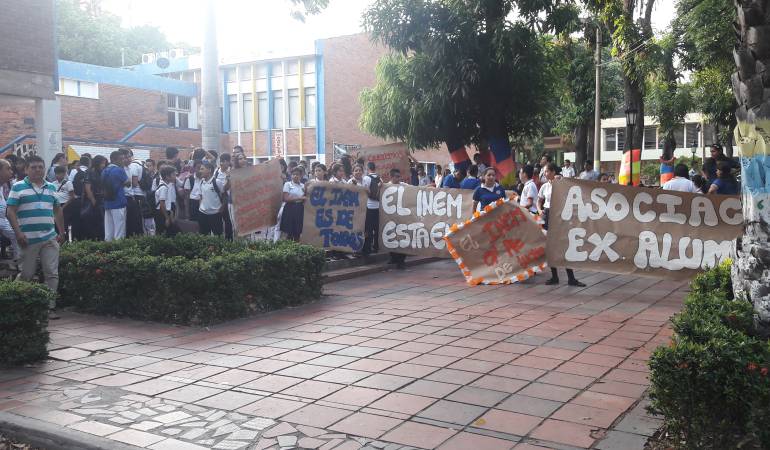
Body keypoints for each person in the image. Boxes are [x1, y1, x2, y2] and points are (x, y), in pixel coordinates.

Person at [6, 155, 66, 318]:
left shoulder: (51, 187)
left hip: (50, 237)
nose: (38, 170)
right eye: (33, 167)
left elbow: (57, 210)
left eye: (40, 167)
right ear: (26, 169)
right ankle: (15, 304)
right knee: (26, 274)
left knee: (52, 273)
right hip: (28, 238)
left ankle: (49, 307)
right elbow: (10, 211)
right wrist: (18, 233)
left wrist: (61, 231)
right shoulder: (18, 187)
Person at [537, 162, 585, 287]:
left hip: (559, 214)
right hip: (548, 214)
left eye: (547, 171)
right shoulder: (545, 186)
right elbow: (539, 200)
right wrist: (539, 210)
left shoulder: (561, 183)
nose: (545, 173)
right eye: (544, 171)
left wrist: (560, 179)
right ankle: (554, 276)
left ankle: (571, 278)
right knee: (550, 246)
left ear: (553, 172)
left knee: (564, 245)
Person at [101, 151, 128, 241]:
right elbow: (128, 183)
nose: (123, 161)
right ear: (114, 160)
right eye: (121, 159)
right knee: (119, 230)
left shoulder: (104, 171)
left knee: (109, 230)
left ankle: (107, 249)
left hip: (107, 203)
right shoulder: (119, 170)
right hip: (118, 202)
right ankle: (118, 251)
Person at [387, 168, 409, 269]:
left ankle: (401, 260)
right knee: (391, 237)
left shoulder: (403, 185)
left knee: (401, 236)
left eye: (399, 176)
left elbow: (415, 189)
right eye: (396, 177)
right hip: (390, 217)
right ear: (391, 177)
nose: (399, 178)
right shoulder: (386, 187)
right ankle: (393, 257)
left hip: (402, 216)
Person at [197, 161, 225, 236]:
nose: (200, 171)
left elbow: (224, 195)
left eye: (202, 169)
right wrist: (201, 206)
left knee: (218, 236)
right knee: (204, 236)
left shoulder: (217, 182)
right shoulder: (201, 182)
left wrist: (222, 207)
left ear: (209, 170)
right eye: (200, 169)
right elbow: (201, 196)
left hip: (215, 214)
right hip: (203, 214)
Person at [0, 160, 20, 268]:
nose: (11, 172)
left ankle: (18, 262)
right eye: (8, 169)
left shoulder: (2, 186)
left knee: (16, 235)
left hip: (3, 220)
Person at [83, 155, 107, 240]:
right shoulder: (90, 172)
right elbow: (88, 188)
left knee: (101, 223)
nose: (104, 165)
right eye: (102, 163)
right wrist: (93, 201)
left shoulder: (101, 172)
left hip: (101, 200)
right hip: (94, 201)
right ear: (97, 163)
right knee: (95, 223)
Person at [123, 148, 144, 237]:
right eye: (126, 157)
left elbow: (131, 184)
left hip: (131, 197)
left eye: (130, 157)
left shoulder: (131, 168)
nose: (129, 159)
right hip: (124, 197)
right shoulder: (120, 169)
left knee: (134, 220)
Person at [280, 167, 305, 241]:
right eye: (293, 174)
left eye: (297, 174)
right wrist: (299, 198)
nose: (295, 176)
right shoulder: (288, 184)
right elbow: (285, 198)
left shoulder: (303, 186)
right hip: (290, 208)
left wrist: (302, 198)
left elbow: (305, 198)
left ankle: (296, 248)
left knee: (298, 231)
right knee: (289, 232)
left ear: (301, 176)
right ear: (291, 175)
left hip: (300, 209)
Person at [362, 162, 381, 255]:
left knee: (368, 228)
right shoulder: (380, 179)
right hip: (378, 207)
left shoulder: (366, 178)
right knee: (377, 228)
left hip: (369, 206)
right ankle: (376, 247)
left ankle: (367, 248)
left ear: (368, 168)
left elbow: (364, 191)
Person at [154, 165, 178, 236]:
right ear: (167, 176)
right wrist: (167, 218)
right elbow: (162, 204)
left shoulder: (165, 186)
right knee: (163, 233)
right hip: (162, 214)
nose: (175, 177)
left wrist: (170, 213)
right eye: (173, 175)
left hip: (165, 213)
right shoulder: (164, 188)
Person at [51, 166, 74, 239]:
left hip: (65, 205)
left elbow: (72, 197)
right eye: (56, 173)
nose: (57, 175)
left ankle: (65, 241)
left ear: (64, 174)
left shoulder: (68, 183)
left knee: (64, 224)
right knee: (55, 224)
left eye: (59, 173)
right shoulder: (53, 184)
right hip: (56, 206)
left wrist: (63, 207)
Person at [218, 154, 234, 240]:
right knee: (219, 220)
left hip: (228, 199)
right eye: (221, 161)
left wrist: (228, 179)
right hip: (218, 199)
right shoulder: (216, 172)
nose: (221, 163)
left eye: (224, 161)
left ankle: (229, 239)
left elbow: (225, 188)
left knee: (228, 221)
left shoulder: (231, 172)